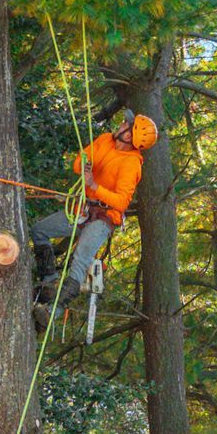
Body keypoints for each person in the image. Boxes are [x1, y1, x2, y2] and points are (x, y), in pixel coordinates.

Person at [31, 113, 158, 320]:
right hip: (82, 208)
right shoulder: (105, 139)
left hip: (104, 217)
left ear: (129, 137)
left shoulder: (131, 164)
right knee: (40, 230)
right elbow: (77, 164)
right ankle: (49, 280)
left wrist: (93, 186)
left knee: (81, 257)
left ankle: (54, 311)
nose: (122, 124)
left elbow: (121, 202)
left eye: (127, 124)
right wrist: (85, 166)